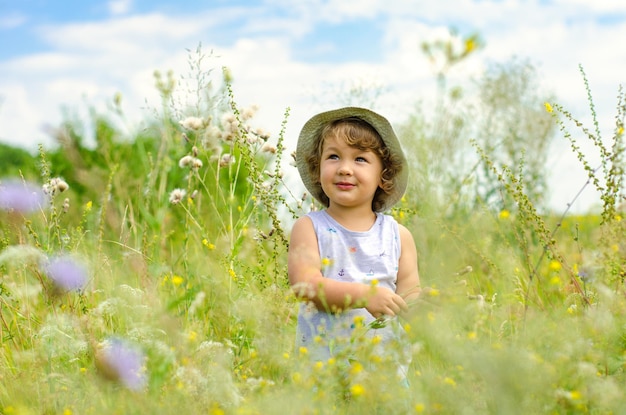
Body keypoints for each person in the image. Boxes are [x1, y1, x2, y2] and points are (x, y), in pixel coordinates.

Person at [288, 107, 421, 383]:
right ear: (318, 167)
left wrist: (430, 309)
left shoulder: (398, 235)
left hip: (384, 375)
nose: (344, 168)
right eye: (333, 156)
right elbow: (306, 285)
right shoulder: (310, 228)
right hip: (325, 374)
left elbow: (409, 298)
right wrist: (364, 295)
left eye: (360, 159)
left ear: (383, 176)